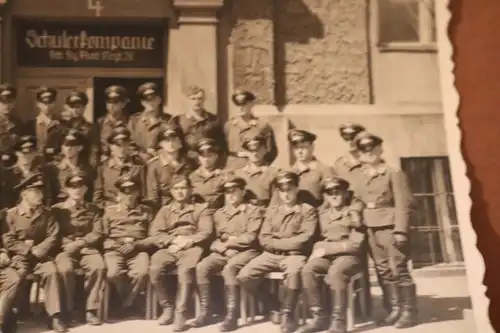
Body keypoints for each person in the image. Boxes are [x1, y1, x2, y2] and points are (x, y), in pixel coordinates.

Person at [238, 171, 318, 333]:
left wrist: (277, 242)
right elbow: (263, 238)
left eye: (289, 189)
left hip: (295, 255)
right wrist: (283, 243)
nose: (286, 194)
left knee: (294, 272)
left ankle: (288, 314)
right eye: (282, 190)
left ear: (296, 188)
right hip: (271, 255)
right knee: (244, 276)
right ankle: (273, 306)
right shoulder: (272, 210)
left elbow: (304, 239)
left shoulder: (307, 210)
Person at [351, 132, 416, 329]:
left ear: (380, 148)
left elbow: (403, 203)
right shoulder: (361, 175)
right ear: (359, 154)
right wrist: (355, 211)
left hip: (391, 226)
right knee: (382, 270)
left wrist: (401, 230)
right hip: (371, 228)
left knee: (400, 268)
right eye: (363, 149)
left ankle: (409, 312)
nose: (368, 152)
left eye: (372, 147)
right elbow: (357, 198)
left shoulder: (392, 172)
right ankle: (394, 309)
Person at [193, 175, 262, 331]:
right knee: (202, 266)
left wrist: (229, 243)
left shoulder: (253, 211)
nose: (230, 195)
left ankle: (232, 315)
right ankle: (206, 311)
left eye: (234, 191)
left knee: (230, 268)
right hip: (224, 252)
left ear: (243, 192)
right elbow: (216, 239)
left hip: (247, 252)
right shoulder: (219, 213)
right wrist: (222, 247)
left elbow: (250, 237)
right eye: (227, 192)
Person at [147, 174, 213, 331]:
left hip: (192, 247)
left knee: (185, 271)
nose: (180, 192)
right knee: (154, 269)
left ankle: (180, 313)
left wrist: (188, 241)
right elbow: (155, 233)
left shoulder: (201, 209)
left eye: (183, 188)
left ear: (190, 190)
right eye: (176, 189)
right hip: (171, 247)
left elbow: (206, 232)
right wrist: (172, 241)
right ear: (171, 191)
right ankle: (167, 307)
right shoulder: (165, 210)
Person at [1, 174, 65, 332]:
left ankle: (54, 316)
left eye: (41, 192)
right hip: (19, 258)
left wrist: (38, 250)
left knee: (52, 271)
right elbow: (8, 240)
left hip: (40, 258)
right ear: (24, 193)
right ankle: (8, 316)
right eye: (36, 192)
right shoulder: (11, 214)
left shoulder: (47, 213)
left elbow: (53, 236)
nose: (41, 196)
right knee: (15, 278)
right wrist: (28, 250)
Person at [300, 177, 366, 333]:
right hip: (328, 257)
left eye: (338, 192)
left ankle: (339, 320)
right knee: (308, 269)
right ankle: (319, 316)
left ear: (344, 193)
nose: (334, 196)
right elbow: (316, 240)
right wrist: (320, 250)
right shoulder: (322, 215)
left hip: (350, 257)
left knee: (336, 272)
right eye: (330, 193)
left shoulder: (353, 213)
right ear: (325, 196)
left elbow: (356, 244)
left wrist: (326, 249)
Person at [52, 171, 105, 326]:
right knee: (65, 270)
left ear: (86, 189)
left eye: (80, 186)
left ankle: (90, 310)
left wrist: (81, 242)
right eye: (72, 186)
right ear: (66, 189)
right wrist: (66, 244)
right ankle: (67, 310)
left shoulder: (94, 209)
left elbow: (98, 231)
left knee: (98, 267)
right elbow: (52, 232)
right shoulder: (57, 210)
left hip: (86, 248)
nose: (77, 189)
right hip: (65, 249)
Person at [102, 174, 154, 317]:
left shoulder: (147, 211)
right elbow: (103, 236)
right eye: (125, 191)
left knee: (142, 273)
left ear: (138, 192)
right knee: (112, 274)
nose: (129, 195)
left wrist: (136, 244)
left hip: (138, 250)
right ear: (119, 193)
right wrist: (116, 245)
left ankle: (125, 304)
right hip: (115, 250)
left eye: (133, 190)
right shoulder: (109, 211)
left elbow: (153, 237)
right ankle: (132, 301)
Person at [146, 124, 197, 208]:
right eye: (166, 140)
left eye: (174, 139)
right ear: (161, 144)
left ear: (180, 142)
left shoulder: (190, 162)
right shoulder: (155, 166)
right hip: (165, 209)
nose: (170, 143)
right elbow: (153, 196)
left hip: (189, 207)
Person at [93, 125, 146, 207]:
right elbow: (97, 199)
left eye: (125, 144)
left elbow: (144, 196)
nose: (122, 148)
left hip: (133, 212)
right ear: (111, 147)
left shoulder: (139, 166)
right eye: (118, 145)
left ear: (129, 145)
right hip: (110, 213)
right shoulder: (103, 168)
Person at [224, 90, 277, 169]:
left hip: (255, 169)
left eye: (244, 104)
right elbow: (224, 150)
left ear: (252, 104)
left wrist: (263, 165)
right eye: (237, 104)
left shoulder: (262, 125)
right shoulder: (229, 126)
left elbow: (271, 150)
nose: (240, 107)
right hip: (234, 168)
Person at [171, 85, 226, 160]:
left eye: (200, 99)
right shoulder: (179, 120)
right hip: (187, 162)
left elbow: (221, 144)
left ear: (204, 100)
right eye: (193, 99)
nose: (197, 102)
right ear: (187, 100)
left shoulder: (213, 120)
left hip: (208, 160)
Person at [45, 130, 94, 205]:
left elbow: (90, 195)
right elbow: (49, 196)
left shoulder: (87, 169)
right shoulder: (53, 169)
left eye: (72, 145)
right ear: (62, 147)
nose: (69, 148)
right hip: (61, 210)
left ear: (80, 147)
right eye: (66, 145)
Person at [233, 134, 280, 208]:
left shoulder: (273, 173)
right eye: (251, 150)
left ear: (265, 149)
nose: (254, 153)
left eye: (258, 149)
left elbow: (275, 203)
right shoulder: (238, 174)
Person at [0, 135, 47, 209]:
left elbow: (48, 197)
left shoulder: (41, 174)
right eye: (23, 152)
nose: (27, 156)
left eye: (31, 152)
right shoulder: (7, 174)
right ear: (16, 153)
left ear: (35, 153)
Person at [128, 82, 171, 162]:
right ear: (142, 103)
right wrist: (143, 155)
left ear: (159, 99)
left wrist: (158, 153)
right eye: (146, 100)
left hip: (161, 163)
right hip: (139, 164)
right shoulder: (134, 120)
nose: (150, 102)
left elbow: (173, 144)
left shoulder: (168, 120)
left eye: (153, 98)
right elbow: (129, 145)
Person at [24, 86, 65, 163]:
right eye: (44, 103)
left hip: (56, 164)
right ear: (38, 104)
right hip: (35, 164)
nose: (47, 106)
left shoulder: (61, 124)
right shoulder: (30, 125)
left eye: (50, 102)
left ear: (54, 103)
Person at [63, 90, 99, 169]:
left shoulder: (91, 128)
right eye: (72, 107)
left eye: (78, 107)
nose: (75, 110)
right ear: (68, 108)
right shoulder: (62, 127)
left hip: (83, 167)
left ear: (84, 108)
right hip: (65, 167)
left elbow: (94, 151)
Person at [189, 138, 227, 209]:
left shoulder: (223, 175)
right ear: (199, 157)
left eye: (210, 156)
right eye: (203, 156)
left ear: (216, 156)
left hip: (218, 211)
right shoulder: (192, 176)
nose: (206, 159)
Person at [96, 85, 130, 161]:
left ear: (123, 104)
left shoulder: (130, 122)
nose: (111, 105)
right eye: (109, 102)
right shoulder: (99, 123)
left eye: (115, 102)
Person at [0, 84, 24, 168]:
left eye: (10, 102)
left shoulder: (18, 123)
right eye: (3, 102)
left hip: (15, 166)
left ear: (14, 103)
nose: (7, 106)